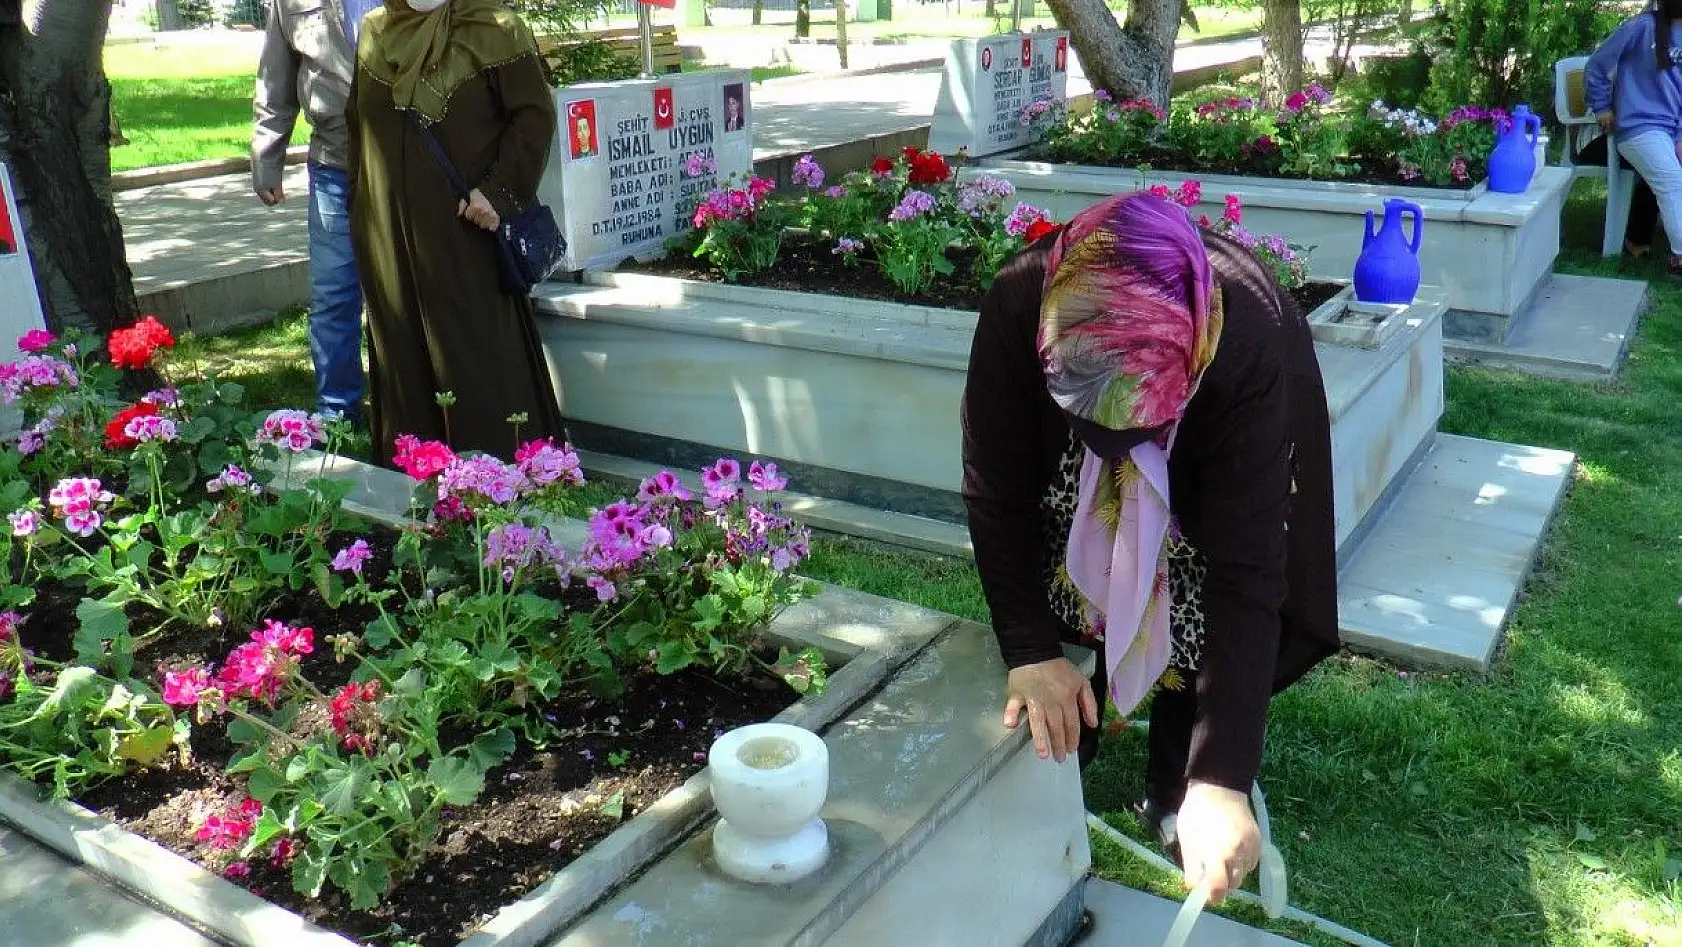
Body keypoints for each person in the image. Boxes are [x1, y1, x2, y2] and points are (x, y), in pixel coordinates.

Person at [961, 193, 1340, 907]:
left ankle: (1179, 778)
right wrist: (1031, 652)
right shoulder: (1017, 302)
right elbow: (998, 491)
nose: (1120, 447)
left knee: (1188, 590)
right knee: (1069, 574)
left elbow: (1246, 570)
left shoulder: (1251, 344)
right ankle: (1075, 728)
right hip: (1072, 466)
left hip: (1207, 446)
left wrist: (1222, 775)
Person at [348, 0, 568, 465]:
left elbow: (534, 118)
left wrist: (499, 192)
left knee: (475, 350)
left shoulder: (496, 29)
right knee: (403, 347)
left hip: (467, 232)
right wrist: (361, 214)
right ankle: (414, 479)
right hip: (388, 237)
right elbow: (358, 131)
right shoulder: (374, 32)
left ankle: (497, 476)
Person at [253, 0, 383, 423]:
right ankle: (337, 415)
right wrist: (266, 158)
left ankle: (408, 406)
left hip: (404, 167)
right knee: (334, 296)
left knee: (405, 291)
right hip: (334, 165)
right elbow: (276, 78)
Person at [1587, 0, 1682, 273]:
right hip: (1638, 126)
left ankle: (1645, 236)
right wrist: (1602, 106)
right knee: (1673, 180)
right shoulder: (1640, 27)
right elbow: (1597, 65)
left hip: (1672, 129)